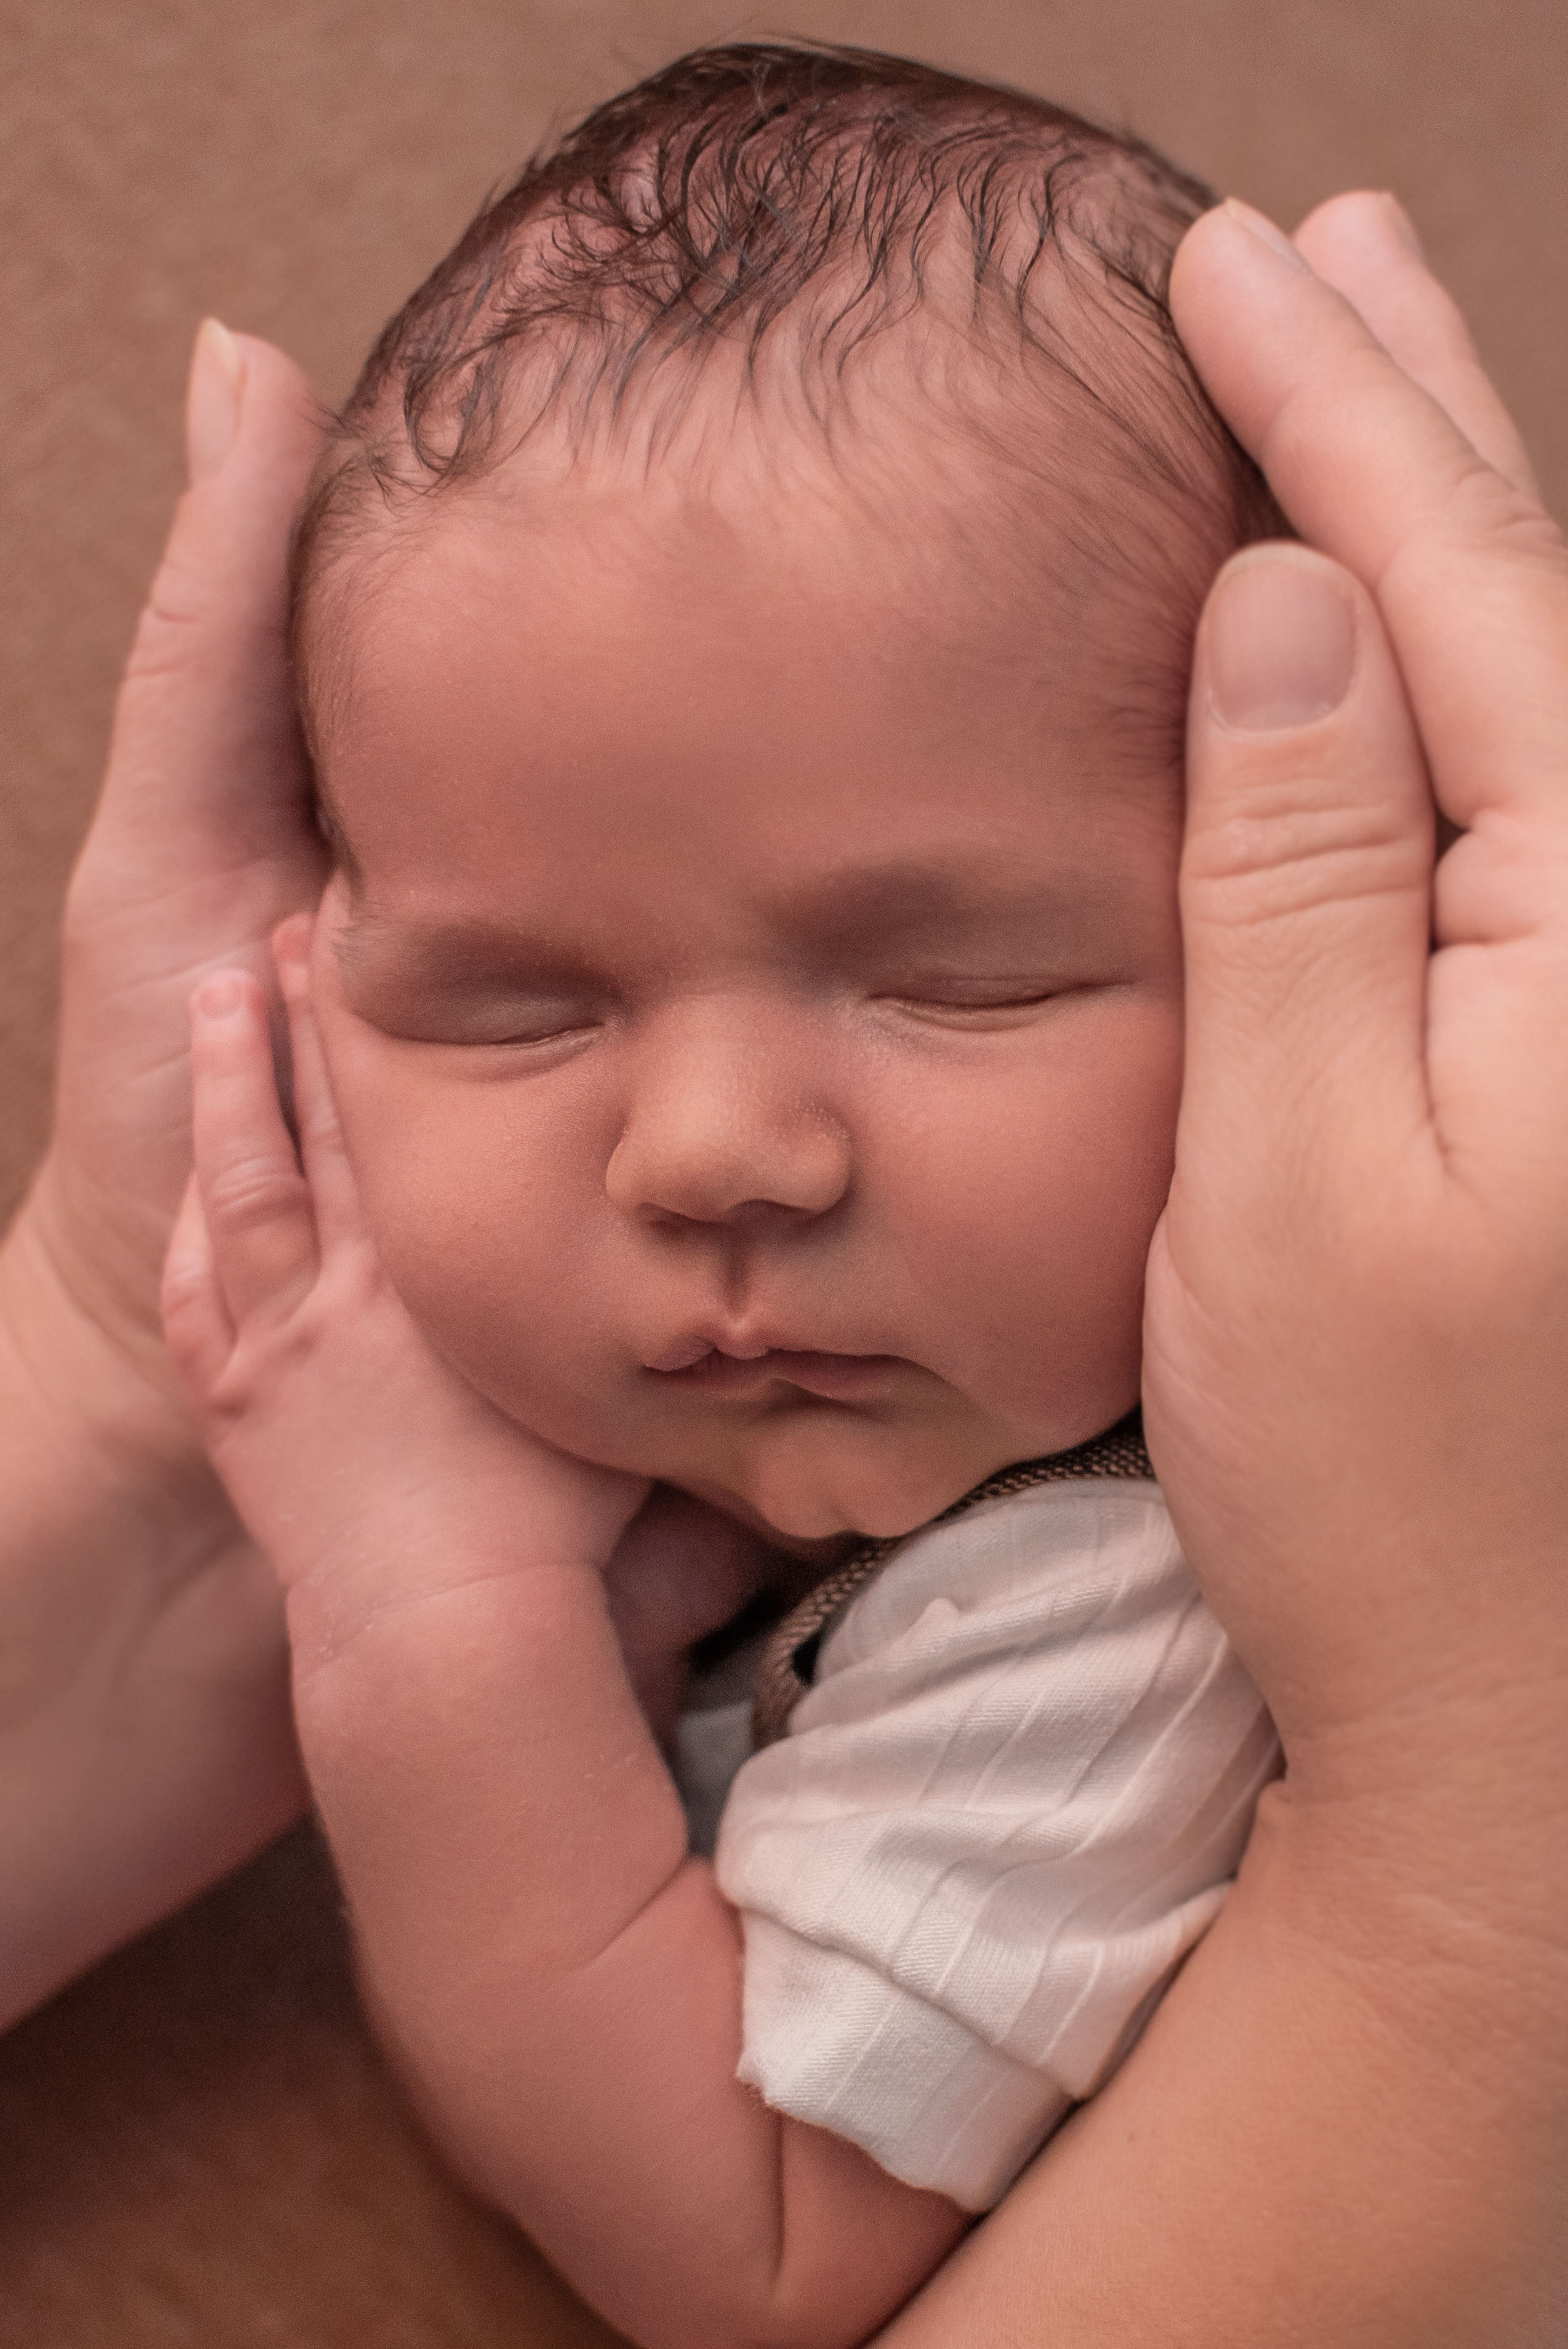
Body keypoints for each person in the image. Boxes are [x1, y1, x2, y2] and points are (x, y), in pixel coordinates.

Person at [0, 57, 1561, 2349]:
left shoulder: (1115, 1612)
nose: (712, 1151)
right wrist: (124, 1357)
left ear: (1337, 942)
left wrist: (431, 1613)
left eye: (960, 982)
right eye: (517, 1010)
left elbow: (746, 2252)